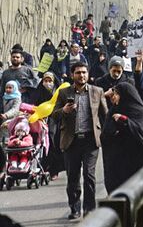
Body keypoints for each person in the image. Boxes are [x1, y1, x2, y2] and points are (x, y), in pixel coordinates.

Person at [51, 62, 108, 219]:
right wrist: (64, 110)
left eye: (84, 72)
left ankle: (89, 209)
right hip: (71, 140)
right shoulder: (63, 93)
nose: (81, 75)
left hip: (91, 140)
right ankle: (74, 208)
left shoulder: (97, 91)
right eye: (78, 73)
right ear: (72, 75)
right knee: (73, 177)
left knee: (89, 175)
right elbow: (53, 115)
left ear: (88, 74)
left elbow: (105, 115)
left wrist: (107, 135)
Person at [101, 83, 143, 193]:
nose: (113, 97)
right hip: (119, 161)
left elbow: (142, 131)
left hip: (137, 159)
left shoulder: (139, 110)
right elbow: (105, 134)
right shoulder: (114, 110)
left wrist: (125, 121)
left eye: (116, 94)